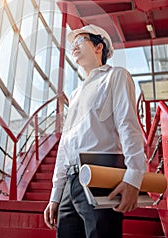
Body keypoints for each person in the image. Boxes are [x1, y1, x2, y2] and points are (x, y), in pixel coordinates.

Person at [44, 24, 146, 238]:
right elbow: (65, 144)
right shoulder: (76, 93)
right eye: (72, 44)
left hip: (100, 175)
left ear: (99, 47)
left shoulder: (115, 76)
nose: (73, 47)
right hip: (70, 183)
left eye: (80, 41)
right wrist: (55, 195)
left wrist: (134, 177)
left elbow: (128, 125)